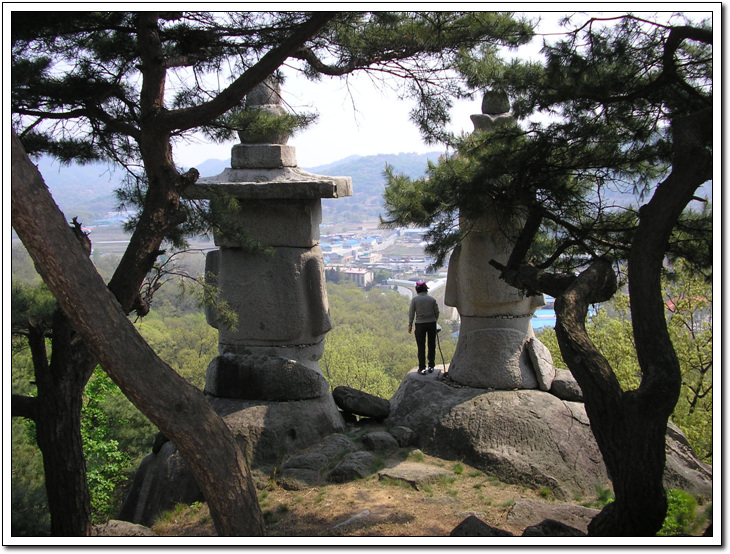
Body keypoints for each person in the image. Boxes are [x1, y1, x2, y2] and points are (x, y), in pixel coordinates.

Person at [408, 281, 440, 375]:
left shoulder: (415, 300)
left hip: (420, 324)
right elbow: (437, 312)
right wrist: (434, 321)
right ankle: (431, 366)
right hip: (431, 324)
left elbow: (411, 313)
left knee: (421, 347)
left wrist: (410, 325)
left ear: (417, 290)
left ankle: (422, 368)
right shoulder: (432, 299)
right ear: (426, 289)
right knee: (431, 345)